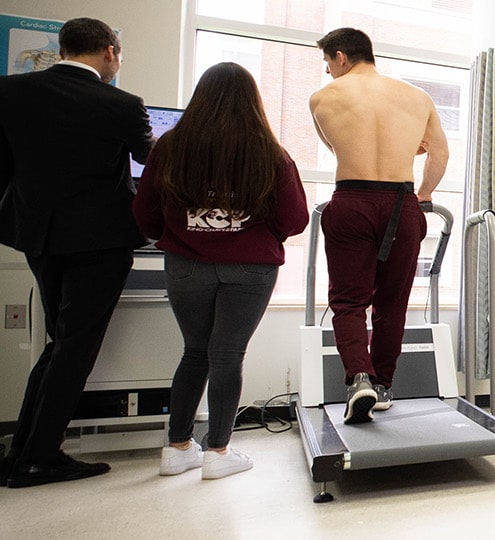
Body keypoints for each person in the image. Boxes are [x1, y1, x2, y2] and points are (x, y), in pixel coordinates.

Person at [134, 62, 308, 480]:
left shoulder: (170, 147)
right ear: (253, 102)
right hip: (250, 268)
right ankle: (218, 451)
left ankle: (176, 449)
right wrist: (254, 231)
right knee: (228, 355)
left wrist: (177, 235)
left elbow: (144, 213)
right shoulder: (270, 152)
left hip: (186, 264)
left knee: (194, 352)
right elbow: (296, 218)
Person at [0, 17, 152, 489]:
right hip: (99, 241)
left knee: (59, 341)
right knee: (75, 347)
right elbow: (153, 160)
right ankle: (39, 458)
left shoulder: (10, 91)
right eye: (119, 54)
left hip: (37, 235)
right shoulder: (122, 103)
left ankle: (22, 449)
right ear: (109, 51)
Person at [308, 27, 448, 424]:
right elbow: (439, 153)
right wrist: (422, 194)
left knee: (349, 302)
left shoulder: (322, 98)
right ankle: (384, 385)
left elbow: (335, 146)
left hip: (351, 200)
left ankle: (360, 379)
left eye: (327, 64)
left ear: (339, 57)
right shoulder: (417, 98)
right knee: (392, 304)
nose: (328, 73)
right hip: (402, 204)